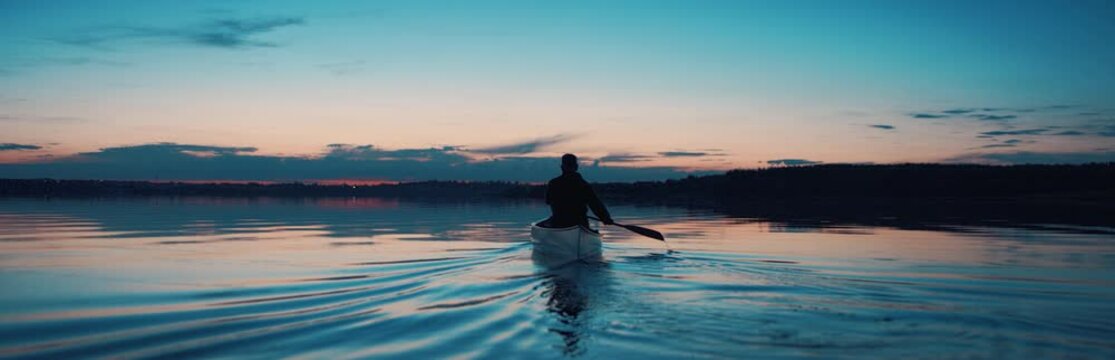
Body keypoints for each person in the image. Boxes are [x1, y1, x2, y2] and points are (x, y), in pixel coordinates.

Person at [544, 153, 615, 228]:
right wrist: (605, 218)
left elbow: (548, 201)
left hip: (559, 222)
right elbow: (595, 203)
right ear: (576, 167)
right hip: (580, 221)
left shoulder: (553, 183)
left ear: (562, 167)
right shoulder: (583, 184)